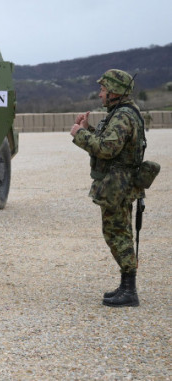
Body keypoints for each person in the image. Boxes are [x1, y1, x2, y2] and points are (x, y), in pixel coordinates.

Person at [70, 69, 146, 307]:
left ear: (115, 92)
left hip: (118, 184)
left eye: (103, 89)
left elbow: (107, 150)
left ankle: (130, 291)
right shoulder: (119, 113)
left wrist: (80, 134)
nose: (100, 93)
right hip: (118, 181)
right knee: (118, 232)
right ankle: (125, 285)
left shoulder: (123, 116)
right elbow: (110, 144)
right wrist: (89, 129)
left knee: (117, 234)